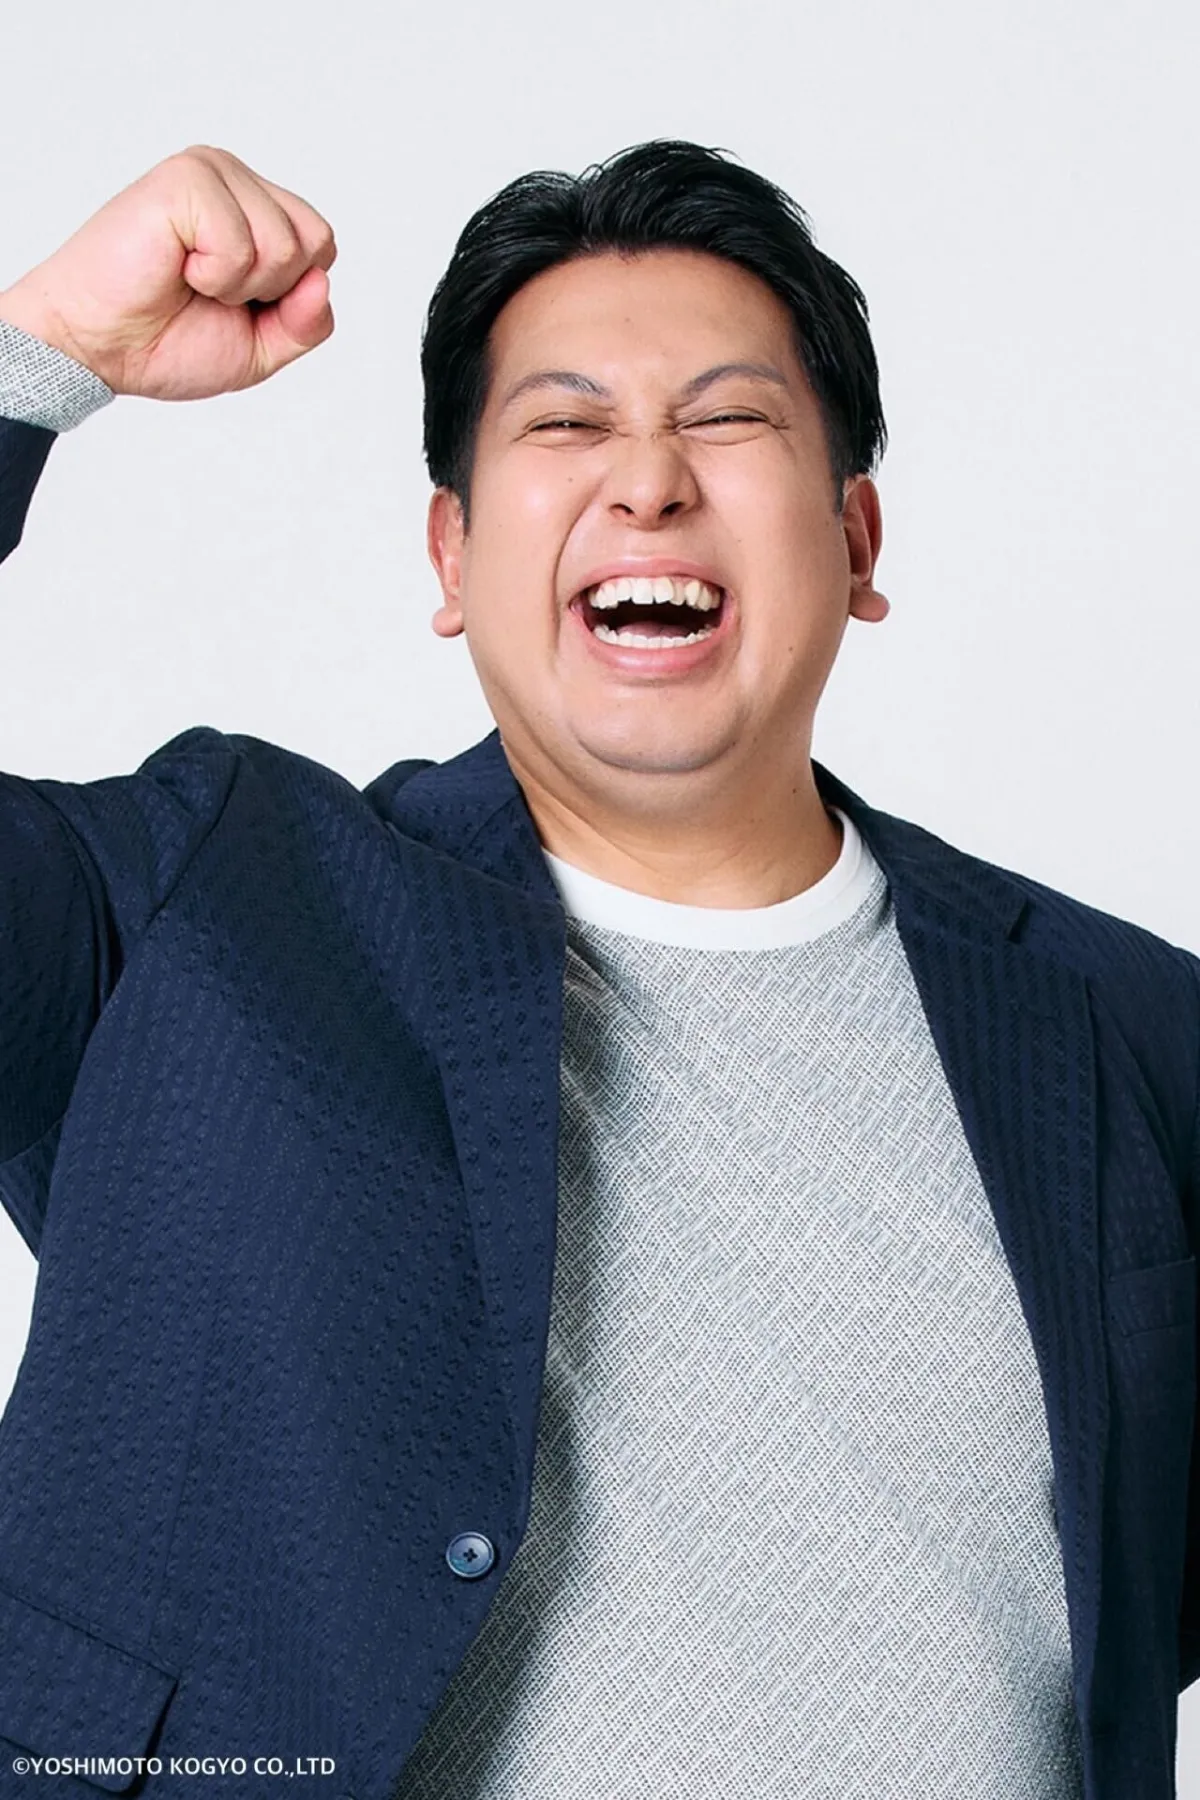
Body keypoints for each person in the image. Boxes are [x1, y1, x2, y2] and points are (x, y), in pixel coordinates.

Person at [0, 140, 1195, 1800]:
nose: (648, 484)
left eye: (729, 419)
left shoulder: (1133, 1030)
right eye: (565, 426)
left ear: (856, 540)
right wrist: (40, 355)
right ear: (450, 558)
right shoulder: (214, 899)